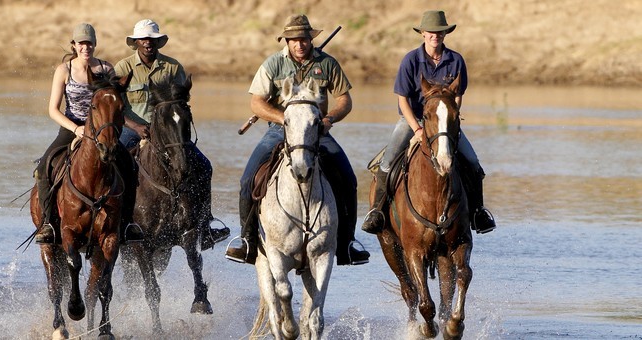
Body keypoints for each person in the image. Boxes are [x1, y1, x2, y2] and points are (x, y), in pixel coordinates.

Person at [225, 14, 370, 266]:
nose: (299, 44)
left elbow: (344, 100)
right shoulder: (273, 64)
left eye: (303, 39)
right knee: (248, 179)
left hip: (317, 131)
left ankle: (347, 242)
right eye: (294, 40)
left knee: (348, 179)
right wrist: (285, 119)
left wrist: (328, 120)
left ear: (310, 39)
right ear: (287, 41)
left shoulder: (327, 64)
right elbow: (256, 103)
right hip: (278, 130)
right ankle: (247, 240)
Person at [361, 10, 497, 235]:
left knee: (473, 163)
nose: (435, 35)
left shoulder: (456, 60)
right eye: (431, 32)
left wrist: (450, 121)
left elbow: (457, 95)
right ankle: (377, 212)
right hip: (412, 120)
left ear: (445, 34)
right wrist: (416, 128)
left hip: (444, 124)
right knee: (386, 163)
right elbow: (402, 98)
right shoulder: (411, 60)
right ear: (423, 33)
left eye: (440, 32)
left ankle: (477, 212)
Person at [114, 19, 230, 249]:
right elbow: (115, 106)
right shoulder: (122, 68)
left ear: (158, 42)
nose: (148, 43)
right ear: (136, 42)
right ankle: (119, 223)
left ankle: (205, 225)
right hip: (132, 130)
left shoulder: (173, 68)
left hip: (167, 133)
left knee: (204, 166)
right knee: (115, 165)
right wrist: (136, 127)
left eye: (152, 39)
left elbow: (182, 103)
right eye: (144, 39)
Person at [34, 23, 143, 244]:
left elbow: (116, 108)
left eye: (90, 43)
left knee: (130, 167)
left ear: (95, 45)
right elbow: (52, 110)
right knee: (44, 167)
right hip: (71, 127)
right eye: (82, 43)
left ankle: (128, 223)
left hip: (103, 129)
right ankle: (48, 223)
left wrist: (131, 127)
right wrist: (77, 129)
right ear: (74, 45)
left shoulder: (106, 69)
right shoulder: (63, 70)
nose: (86, 47)